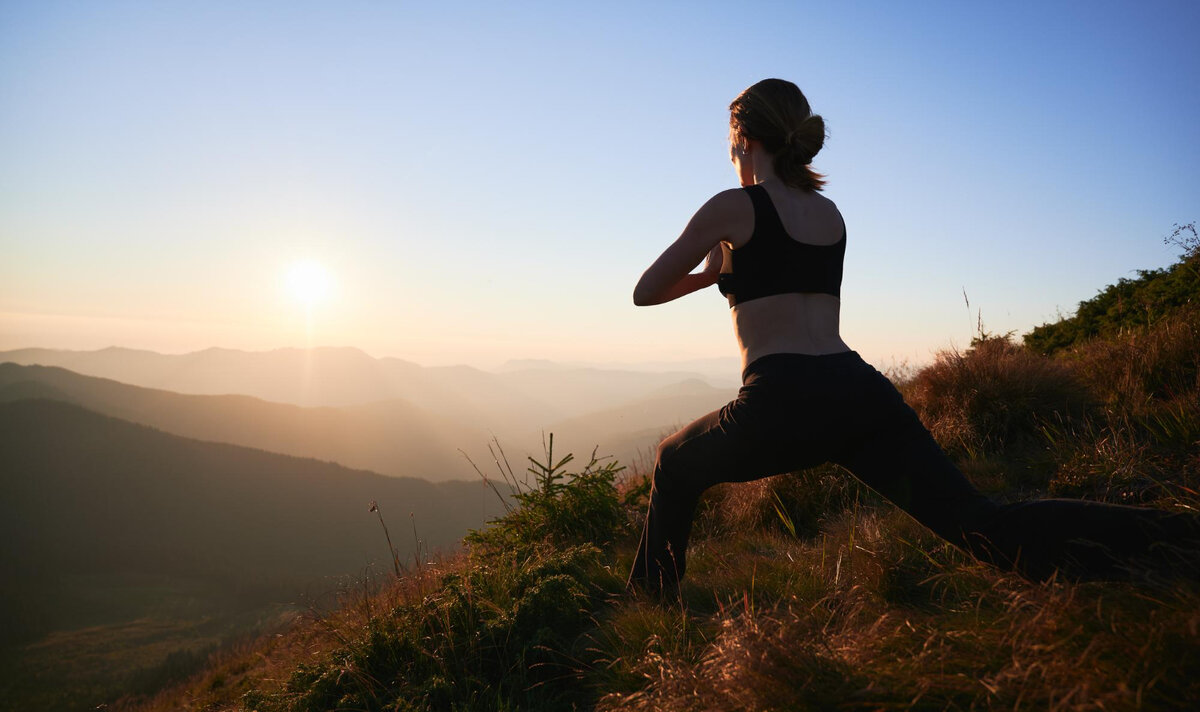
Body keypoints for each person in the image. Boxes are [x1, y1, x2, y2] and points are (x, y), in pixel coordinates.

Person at [627, 78, 1200, 595]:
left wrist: (709, 273)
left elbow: (646, 290)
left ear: (744, 136)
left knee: (672, 460)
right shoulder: (829, 213)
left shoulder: (732, 207)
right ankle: (1175, 540)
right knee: (982, 526)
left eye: (731, 141)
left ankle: (651, 605)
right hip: (858, 392)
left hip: (781, 398)